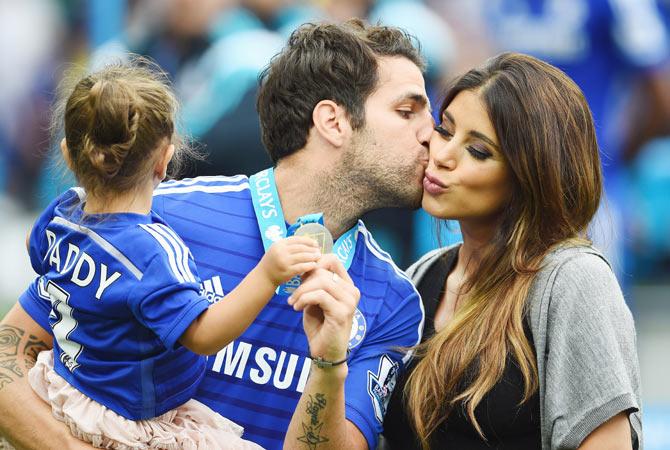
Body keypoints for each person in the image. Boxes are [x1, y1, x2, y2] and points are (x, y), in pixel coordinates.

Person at [0, 19, 432, 450]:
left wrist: (328, 364)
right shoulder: (156, 215)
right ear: (333, 121)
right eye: (407, 111)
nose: (431, 133)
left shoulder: (393, 301)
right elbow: (9, 353)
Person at [7, 58, 334, 449]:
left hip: (61, 386)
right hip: (125, 421)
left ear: (68, 154)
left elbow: (34, 245)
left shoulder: (63, 214)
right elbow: (204, 335)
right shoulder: (153, 250)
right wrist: (267, 273)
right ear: (164, 159)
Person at [382, 53, 641, 449]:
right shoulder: (421, 276)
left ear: (530, 175)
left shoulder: (572, 281)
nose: (443, 155)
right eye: (445, 130)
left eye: (479, 151)